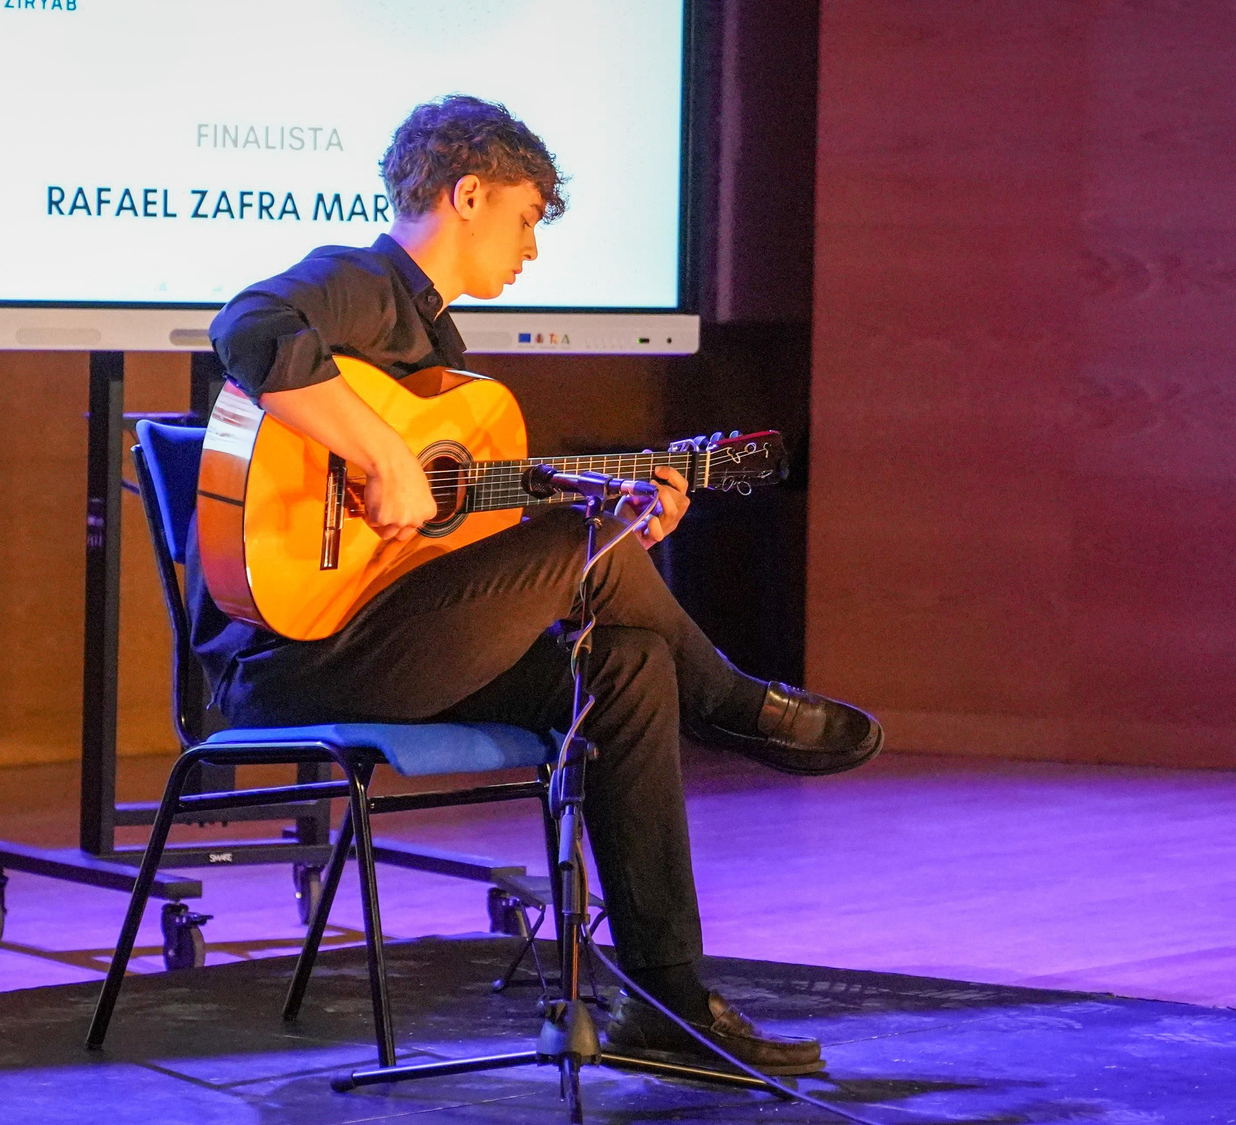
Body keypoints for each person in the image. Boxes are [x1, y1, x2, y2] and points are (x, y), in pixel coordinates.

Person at [193, 95, 882, 1076]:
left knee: (628, 666)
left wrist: (617, 515)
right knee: (583, 530)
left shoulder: (436, 358)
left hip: (393, 638)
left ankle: (665, 1003)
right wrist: (383, 455)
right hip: (295, 665)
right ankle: (728, 701)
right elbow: (245, 324)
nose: (531, 248)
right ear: (465, 194)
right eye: (525, 217)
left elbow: (446, 556)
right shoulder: (364, 283)